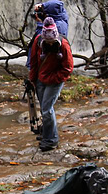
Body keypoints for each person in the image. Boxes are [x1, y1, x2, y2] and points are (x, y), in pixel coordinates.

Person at [28, 17, 74, 152]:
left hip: (55, 81)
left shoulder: (63, 45)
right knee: (44, 108)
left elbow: (68, 67)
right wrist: (32, 79)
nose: (49, 44)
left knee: (47, 109)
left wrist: (55, 78)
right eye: (47, 42)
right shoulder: (38, 41)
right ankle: (46, 133)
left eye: (51, 42)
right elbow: (34, 62)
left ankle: (51, 140)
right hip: (40, 80)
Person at [26, 0, 70, 69]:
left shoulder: (57, 26)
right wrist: (43, 5)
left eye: (46, 12)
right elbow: (56, 5)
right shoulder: (62, 16)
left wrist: (40, 23)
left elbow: (41, 38)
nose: (44, 14)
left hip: (47, 63)